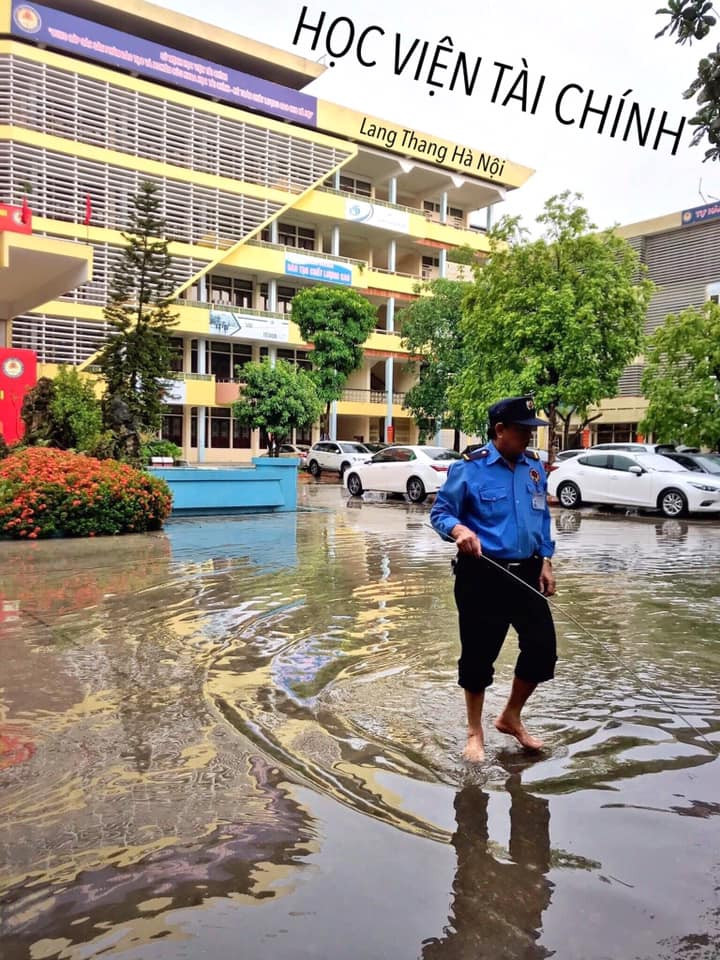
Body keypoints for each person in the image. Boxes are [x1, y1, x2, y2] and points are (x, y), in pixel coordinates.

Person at [430, 395, 557, 762]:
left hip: (528, 572)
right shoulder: (470, 468)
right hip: (483, 574)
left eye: (532, 432)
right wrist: (459, 532)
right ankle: (474, 731)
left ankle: (510, 716)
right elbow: (440, 513)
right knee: (478, 656)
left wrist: (546, 561)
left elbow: (542, 519)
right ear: (499, 430)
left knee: (543, 649)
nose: (530, 439)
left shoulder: (534, 468)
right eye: (523, 431)